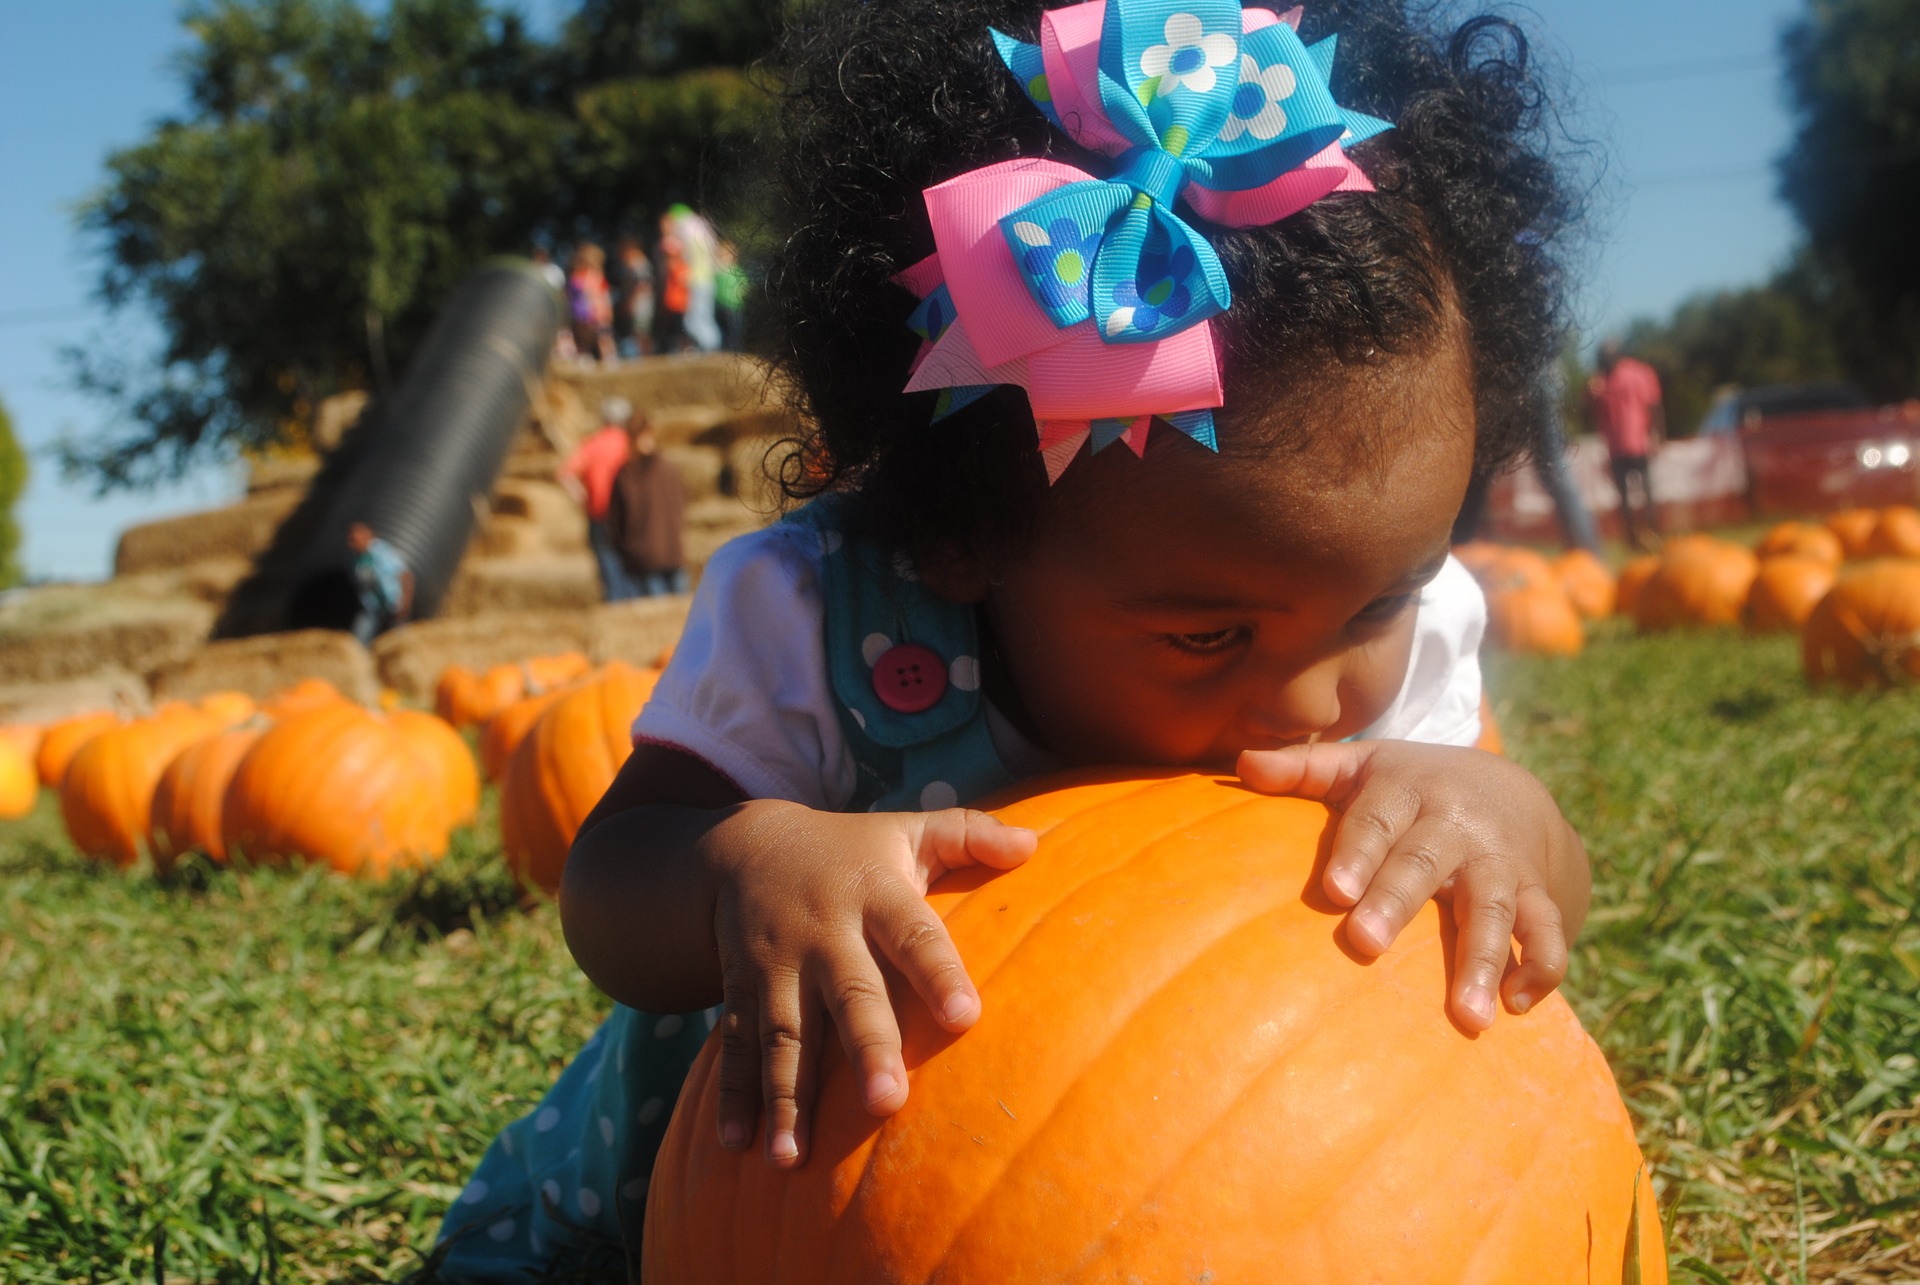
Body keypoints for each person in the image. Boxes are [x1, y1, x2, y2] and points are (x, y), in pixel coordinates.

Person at [433, 1, 1592, 1275]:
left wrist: (1505, 814)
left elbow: (1535, 891)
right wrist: (744, 865)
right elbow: (606, 891)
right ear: (959, 539)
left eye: (1380, 602)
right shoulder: (818, 619)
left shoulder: (1408, 634)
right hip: (721, 1214)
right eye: (1212, 633)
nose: (1326, 696)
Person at [1587, 337, 1665, 551]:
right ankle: (1635, 539)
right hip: (1621, 447)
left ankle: (1650, 534)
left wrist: (1657, 435)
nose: (1604, 362)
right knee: (1629, 498)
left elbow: (1654, 407)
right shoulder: (1603, 382)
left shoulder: (1636, 374)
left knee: (1643, 494)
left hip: (1636, 443)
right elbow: (1594, 416)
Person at [559, 398, 637, 601]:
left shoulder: (591, 444)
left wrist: (582, 496)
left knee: (608, 567)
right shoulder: (631, 445)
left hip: (598, 514)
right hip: (629, 515)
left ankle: (615, 602)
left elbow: (565, 474)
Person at [604, 412, 689, 598]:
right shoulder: (664, 470)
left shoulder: (630, 475)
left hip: (656, 556)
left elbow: (616, 525)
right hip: (655, 556)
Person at [669, 203, 723, 352]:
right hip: (707, 280)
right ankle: (711, 348)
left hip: (696, 280)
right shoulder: (703, 229)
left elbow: (687, 257)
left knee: (693, 320)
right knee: (704, 316)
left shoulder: (686, 229)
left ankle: (711, 348)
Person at [347, 522, 410, 644]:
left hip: (394, 605)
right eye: (351, 538)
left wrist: (405, 602)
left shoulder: (382, 551)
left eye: (357, 536)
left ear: (369, 535)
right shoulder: (354, 561)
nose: (353, 540)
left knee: (400, 641)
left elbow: (404, 574)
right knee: (358, 640)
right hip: (372, 607)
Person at [567, 242, 616, 365]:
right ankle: (588, 359)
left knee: (602, 338)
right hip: (585, 314)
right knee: (585, 339)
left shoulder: (594, 277)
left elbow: (603, 294)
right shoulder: (578, 277)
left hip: (594, 313)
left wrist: (606, 309)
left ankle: (609, 358)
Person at [609, 235, 656, 359]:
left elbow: (642, 286)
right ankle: (645, 356)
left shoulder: (638, 265)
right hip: (642, 304)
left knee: (641, 332)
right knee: (640, 332)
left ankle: (646, 357)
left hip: (641, 305)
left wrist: (631, 302)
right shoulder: (639, 265)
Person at [715, 239, 748, 351]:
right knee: (724, 330)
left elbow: (744, 286)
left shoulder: (736, 271)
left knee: (735, 331)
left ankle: (735, 351)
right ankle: (727, 351)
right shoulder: (719, 272)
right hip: (722, 306)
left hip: (734, 306)